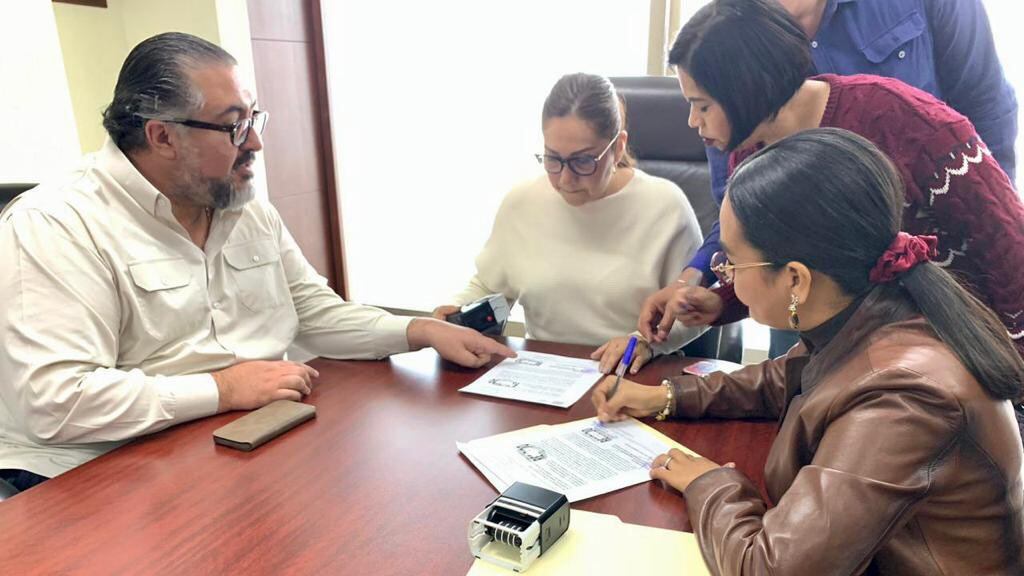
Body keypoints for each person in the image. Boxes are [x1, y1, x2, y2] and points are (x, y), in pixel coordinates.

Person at [0, 33, 514, 492]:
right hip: (95, 473)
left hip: (242, 435)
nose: (256, 143)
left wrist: (419, 331)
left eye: (253, 118)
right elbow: (57, 402)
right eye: (234, 127)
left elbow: (316, 313)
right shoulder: (57, 223)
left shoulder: (239, 204)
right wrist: (221, 389)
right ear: (162, 137)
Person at [595, 129, 1024, 574]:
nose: (727, 277)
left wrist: (711, 482)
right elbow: (783, 378)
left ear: (796, 279)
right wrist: (665, 396)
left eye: (733, 263)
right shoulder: (872, 310)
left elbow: (770, 568)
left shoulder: (906, 398)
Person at [639, 0, 1024, 361]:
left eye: (702, 105)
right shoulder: (750, 154)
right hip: (867, 349)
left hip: (963, 342)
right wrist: (720, 300)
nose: (693, 122)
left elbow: (1007, 242)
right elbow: (792, 269)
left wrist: (1014, 377)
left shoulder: (901, 118)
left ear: (746, 89)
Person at [432, 73, 705, 374]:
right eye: (553, 159)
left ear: (617, 148)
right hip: (541, 374)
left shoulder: (665, 207)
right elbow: (489, 283)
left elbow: (697, 311)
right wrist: (455, 313)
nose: (565, 179)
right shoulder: (523, 202)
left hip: (633, 377)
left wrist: (644, 341)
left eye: (583, 161)